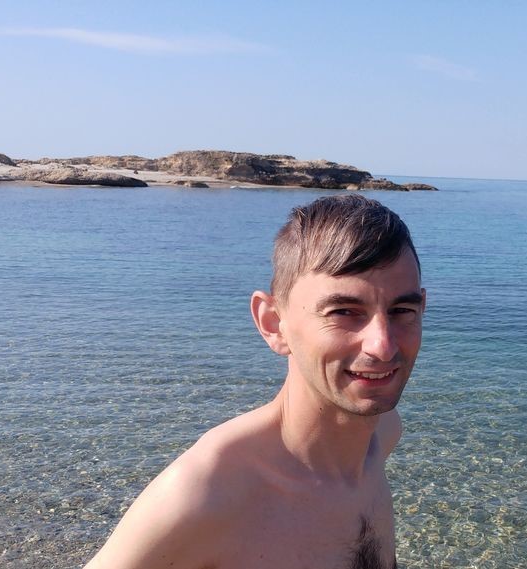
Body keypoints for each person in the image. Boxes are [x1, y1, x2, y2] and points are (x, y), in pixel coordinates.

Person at [85, 194, 425, 569]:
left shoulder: (382, 435)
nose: (383, 345)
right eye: (344, 311)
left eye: (401, 311)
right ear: (273, 324)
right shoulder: (203, 494)